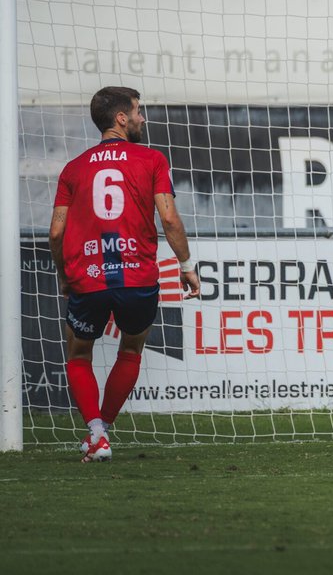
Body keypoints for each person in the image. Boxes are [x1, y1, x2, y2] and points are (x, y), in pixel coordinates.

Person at [49, 86, 200, 462]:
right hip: (138, 277)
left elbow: (56, 232)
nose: (142, 118)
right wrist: (185, 265)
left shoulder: (73, 168)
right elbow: (168, 218)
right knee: (131, 349)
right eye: (137, 111)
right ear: (121, 118)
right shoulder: (151, 160)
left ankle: (96, 433)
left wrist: (64, 274)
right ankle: (104, 431)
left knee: (79, 354)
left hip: (88, 276)